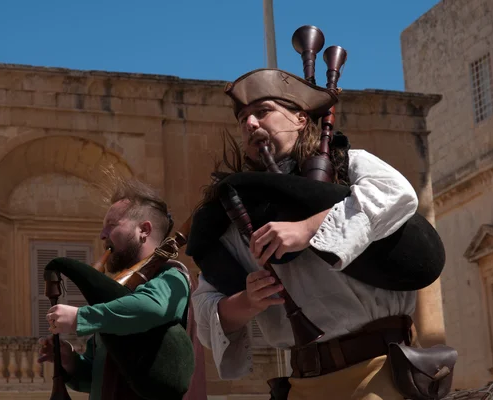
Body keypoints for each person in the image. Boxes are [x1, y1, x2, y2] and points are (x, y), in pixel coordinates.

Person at [187, 67, 447, 400]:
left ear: (299, 118)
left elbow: (396, 195)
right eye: (243, 120)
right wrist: (247, 302)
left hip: (380, 373)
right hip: (303, 385)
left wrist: (309, 228)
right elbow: (208, 305)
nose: (250, 124)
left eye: (262, 112)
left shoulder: (346, 164)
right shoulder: (237, 211)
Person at [37, 177, 206, 400]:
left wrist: (81, 317)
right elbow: (103, 376)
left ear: (143, 230)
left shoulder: (173, 276)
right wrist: (71, 362)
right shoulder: (117, 298)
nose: (102, 235)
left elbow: (152, 308)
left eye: (112, 225)